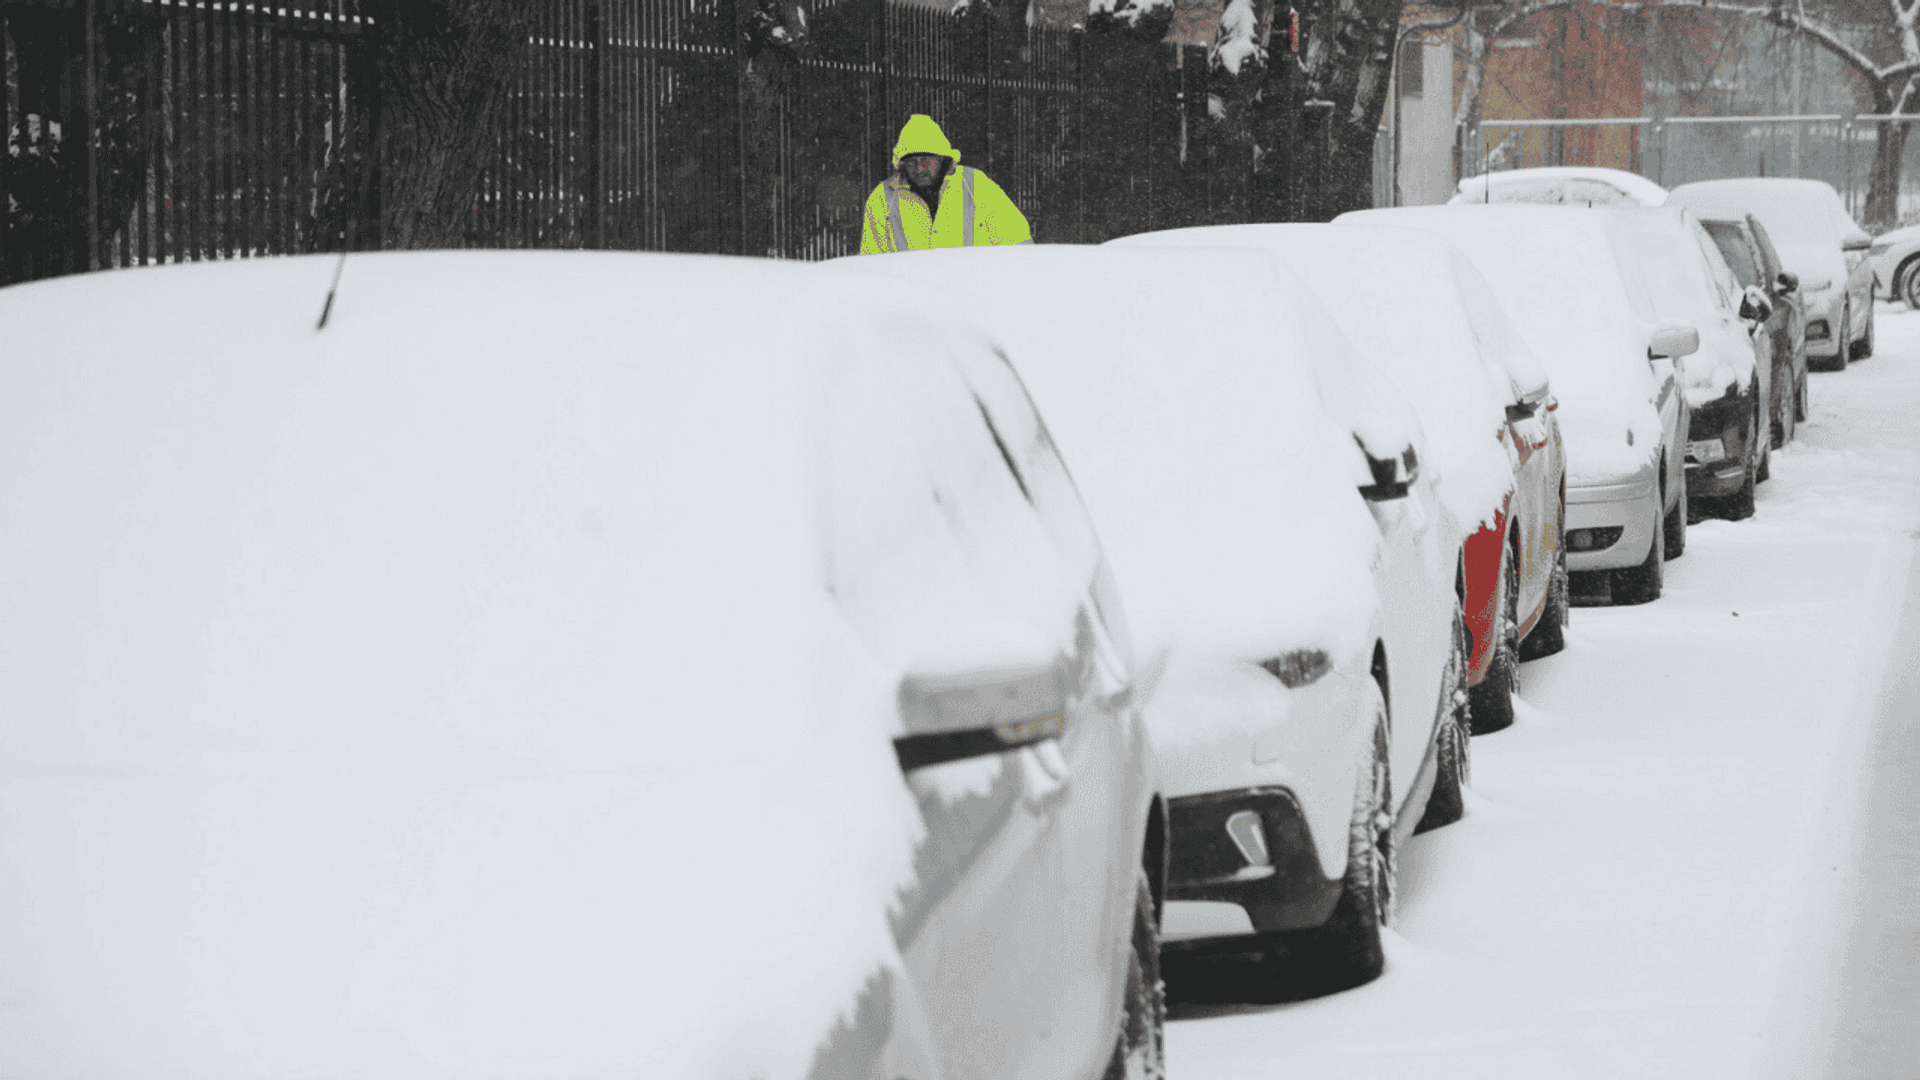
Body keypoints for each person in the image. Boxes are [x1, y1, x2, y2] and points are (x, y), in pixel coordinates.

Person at [859, 114, 1032, 254]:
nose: (919, 169)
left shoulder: (974, 184)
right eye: (912, 162)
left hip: (975, 292)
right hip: (915, 295)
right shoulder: (883, 198)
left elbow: (1016, 241)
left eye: (926, 160)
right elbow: (872, 263)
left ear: (943, 160)